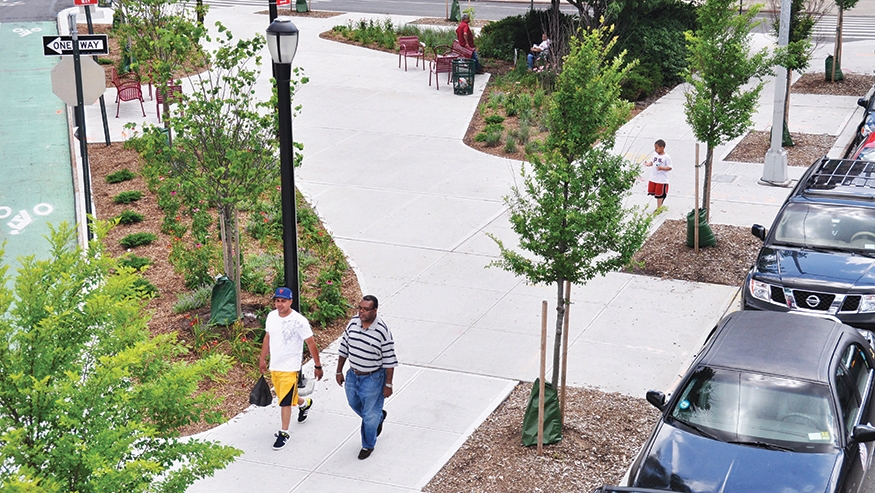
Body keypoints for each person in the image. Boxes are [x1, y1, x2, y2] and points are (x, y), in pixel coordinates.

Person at [259, 287, 324, 450]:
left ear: (290, 302)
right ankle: (304, 404)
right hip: (275, 366)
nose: (279, 304)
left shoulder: (299, 321)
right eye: (277, 301)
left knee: (285, 401)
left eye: (283, 301)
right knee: (286, 396)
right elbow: (268, 337)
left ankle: (284, 432)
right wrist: (262, 358)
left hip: (290, 367)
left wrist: (318, 365)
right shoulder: (271, 317)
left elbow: (311, 343)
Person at [335, 295, 398, 460]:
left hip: (373, 378)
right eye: (360, 308)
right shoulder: (353, 322)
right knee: (353, 403)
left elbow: (389, 360)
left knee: (369, 415)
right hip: (353, 374)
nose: (361, 312)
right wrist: (339, 370)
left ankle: (368, 445)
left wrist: (388, 384)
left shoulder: (382, 331)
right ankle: (378, 416)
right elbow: (344, 347)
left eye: (366, 309)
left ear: (375, 310)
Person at [644, 139, 672, 212]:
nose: (655, 149)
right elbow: (652, 162)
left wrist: (662, 168)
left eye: (657, 148)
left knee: (660, 194)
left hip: (662, 179)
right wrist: (648, 164)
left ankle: (659, 208)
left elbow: (670, 167)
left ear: (662, 147)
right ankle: (660, 205)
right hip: (654, 177)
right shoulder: (655, 154)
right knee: (655, 193)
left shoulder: (666, 157)